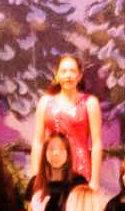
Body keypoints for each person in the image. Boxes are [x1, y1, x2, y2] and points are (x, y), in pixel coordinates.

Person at [32, 53, 104, 183]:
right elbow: (38, 141)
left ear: (79, 76)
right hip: (52, 166)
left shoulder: (90, 103)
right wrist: (36, 176)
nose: (68, 75)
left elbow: (96, 143)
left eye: (72, 71)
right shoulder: (45, 102)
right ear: (57, 75)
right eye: (64, 71)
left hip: (80, 167)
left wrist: (95, 180)